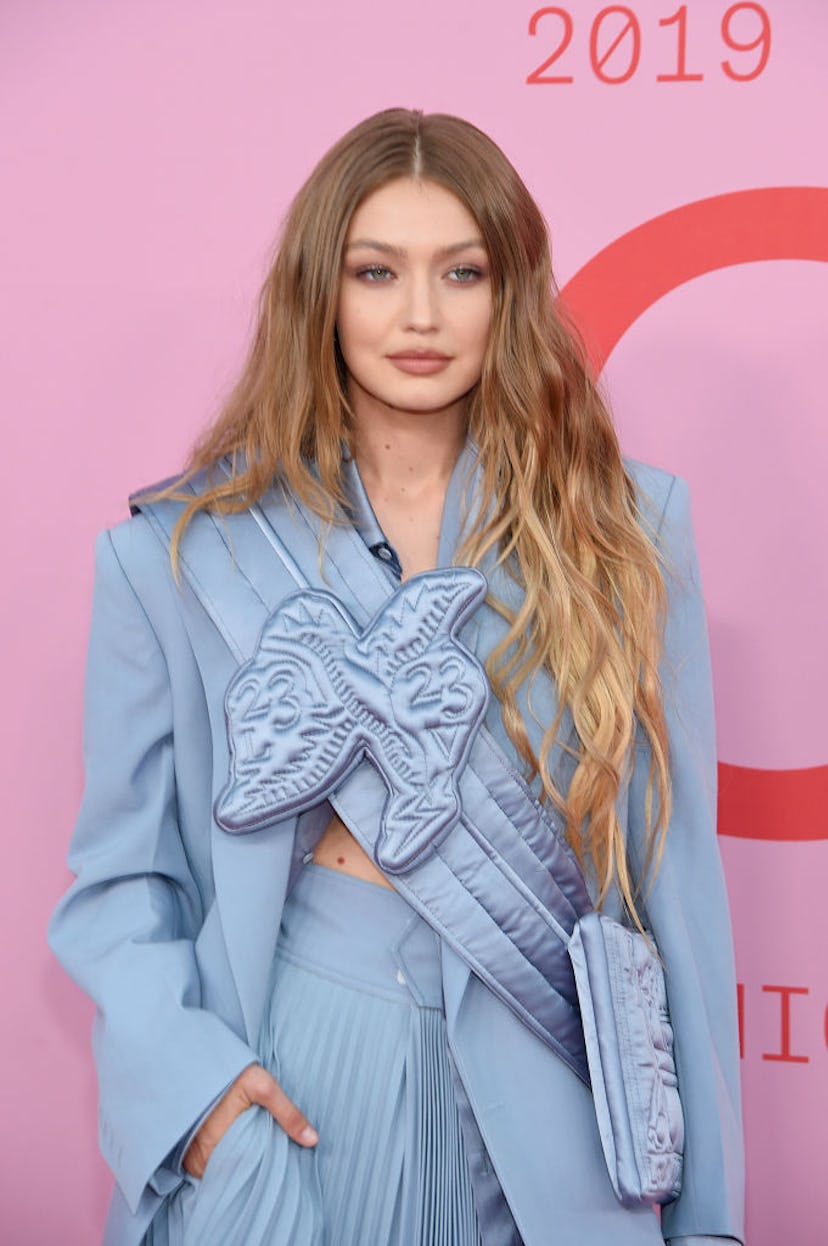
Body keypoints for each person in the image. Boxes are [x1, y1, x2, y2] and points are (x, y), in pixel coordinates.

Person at [49, 109, 744, 1246]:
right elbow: (120, 883)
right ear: (321, 294)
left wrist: (709, 1220)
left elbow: (676, 885)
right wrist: (201, 1102)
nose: (419, 314)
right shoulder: (172, 556)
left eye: (460, 271)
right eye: (377, 272)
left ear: (507, 292)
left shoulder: (625, 531)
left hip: (553, 1099)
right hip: (295, 1080)